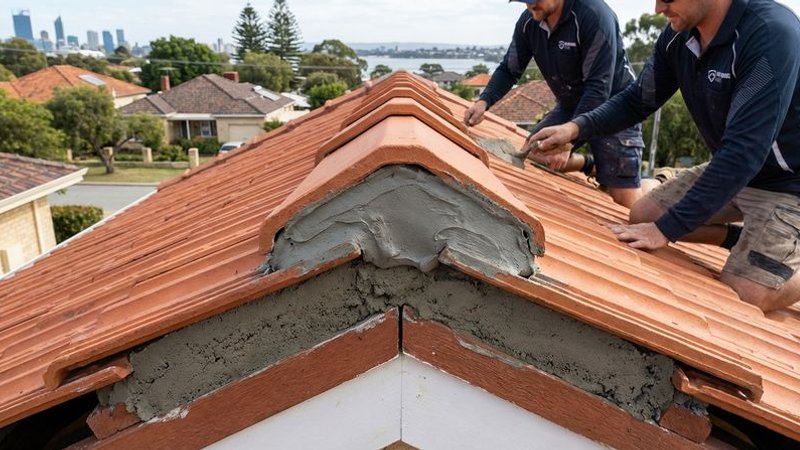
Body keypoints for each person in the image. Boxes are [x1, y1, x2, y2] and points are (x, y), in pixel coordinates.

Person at [531, 0, 800, 312]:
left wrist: (665, 231)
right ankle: (732, 237)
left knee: (747, 295)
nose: (658, 8)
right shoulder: (680, 36)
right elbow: (637, 101)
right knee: (643, 216)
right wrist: (575, 129)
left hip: (787, 184)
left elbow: (745, 150)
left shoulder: (771, 34)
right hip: (734, 169)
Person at [464, 0, 657, 207]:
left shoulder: (594, 16)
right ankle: (589, 164)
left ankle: (657, 183)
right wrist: (484, 101)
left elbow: (598, 88)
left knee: (626, 203)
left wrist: (569, 140)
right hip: (571, 105)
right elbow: (508, 69)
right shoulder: (529, 22)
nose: (530, 6)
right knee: (534, 151)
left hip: (615, 110)